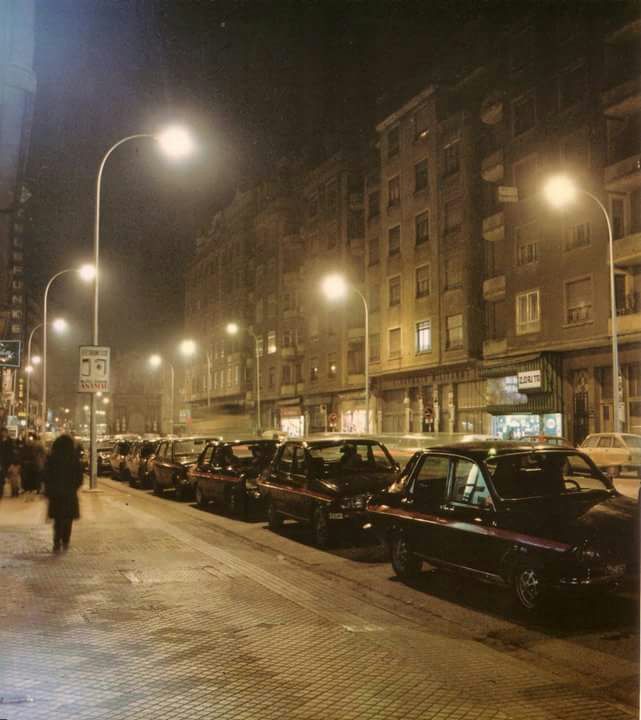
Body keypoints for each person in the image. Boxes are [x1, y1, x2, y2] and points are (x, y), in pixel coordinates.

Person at [44, 434, 83, 553]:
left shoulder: (52, 458)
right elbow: (79, 477)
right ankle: (66, 540)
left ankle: (56, 541)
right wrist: (73, 487)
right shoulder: (74, 459)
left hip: (56, 493)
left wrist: (49, 489)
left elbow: (46, 475)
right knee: (68, 518)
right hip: (69, 493)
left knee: (58, 518)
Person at [0, 427, 16, 499]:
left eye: (5, 432)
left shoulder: (10, 441)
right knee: (1, 477)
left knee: (11, 478)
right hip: (1, 461)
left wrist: (12, 463)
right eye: (2, 432)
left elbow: (12, 453)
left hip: (8, 462)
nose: (4, 433)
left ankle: (14, 492)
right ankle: (1, 492)